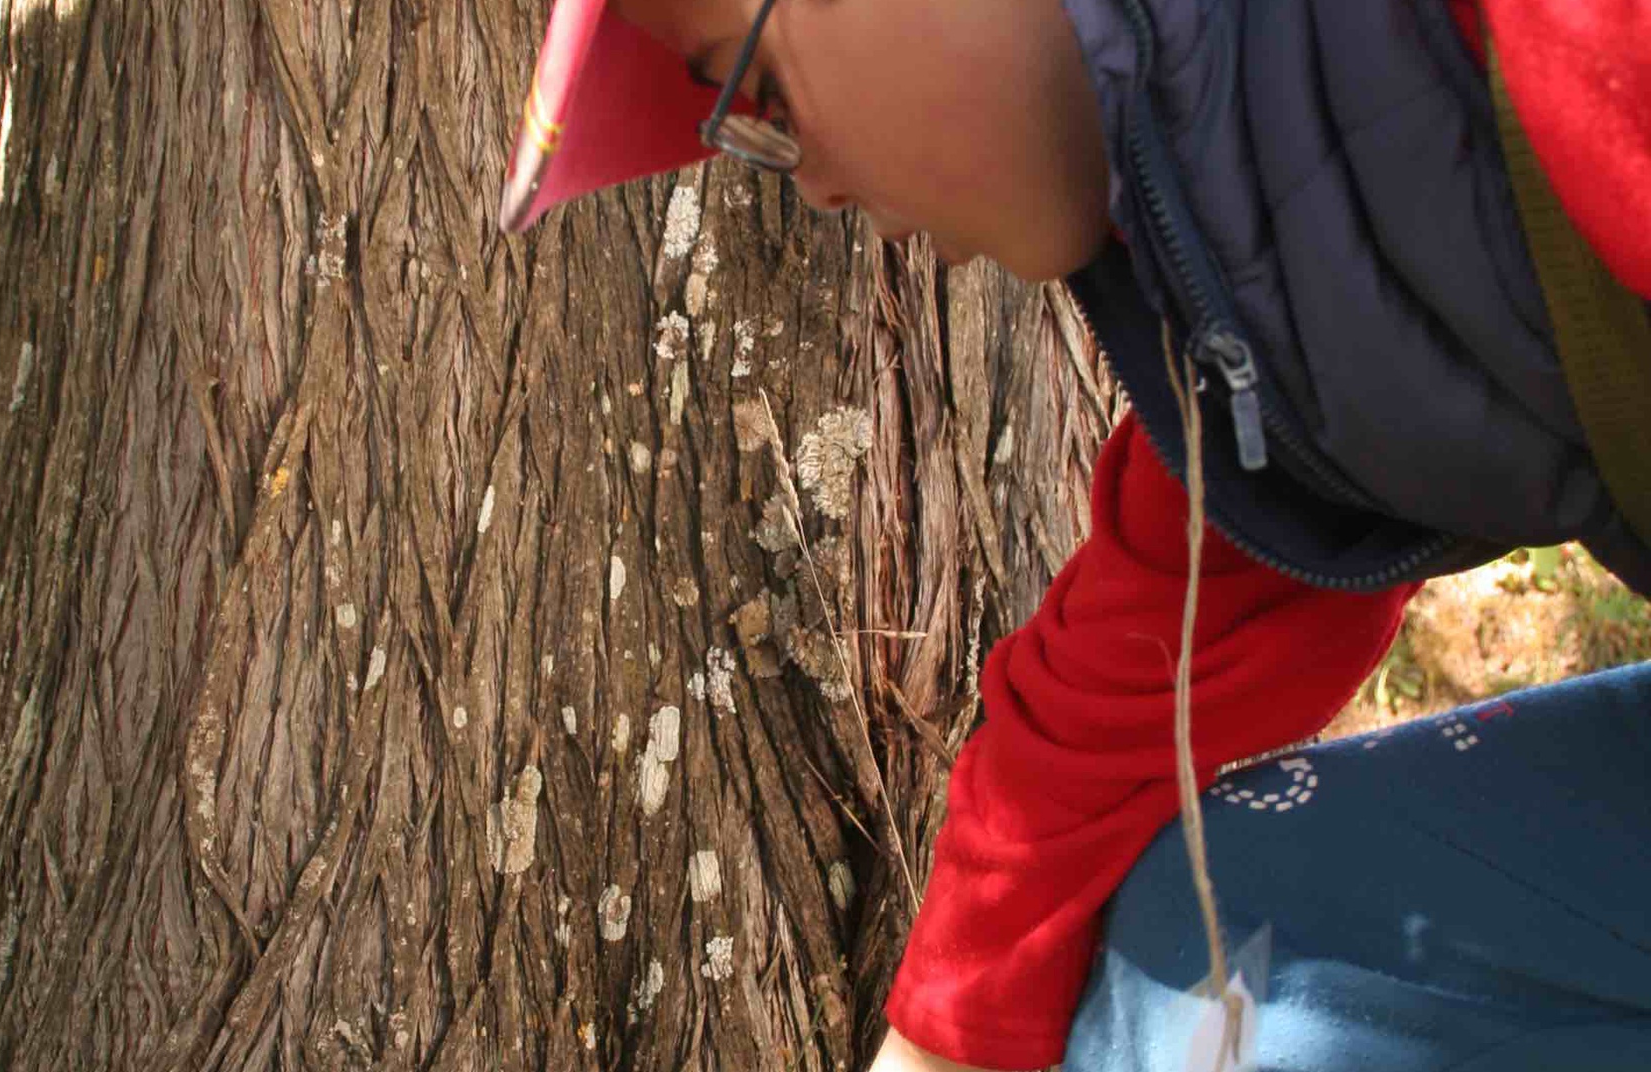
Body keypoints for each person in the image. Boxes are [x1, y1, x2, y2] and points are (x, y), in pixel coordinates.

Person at [495, 1, 1651, 1069]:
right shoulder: (1237, 205)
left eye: (762, 97)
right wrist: (943, 1028)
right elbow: (1165, 633)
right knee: (1216, 971)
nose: (814, 190)